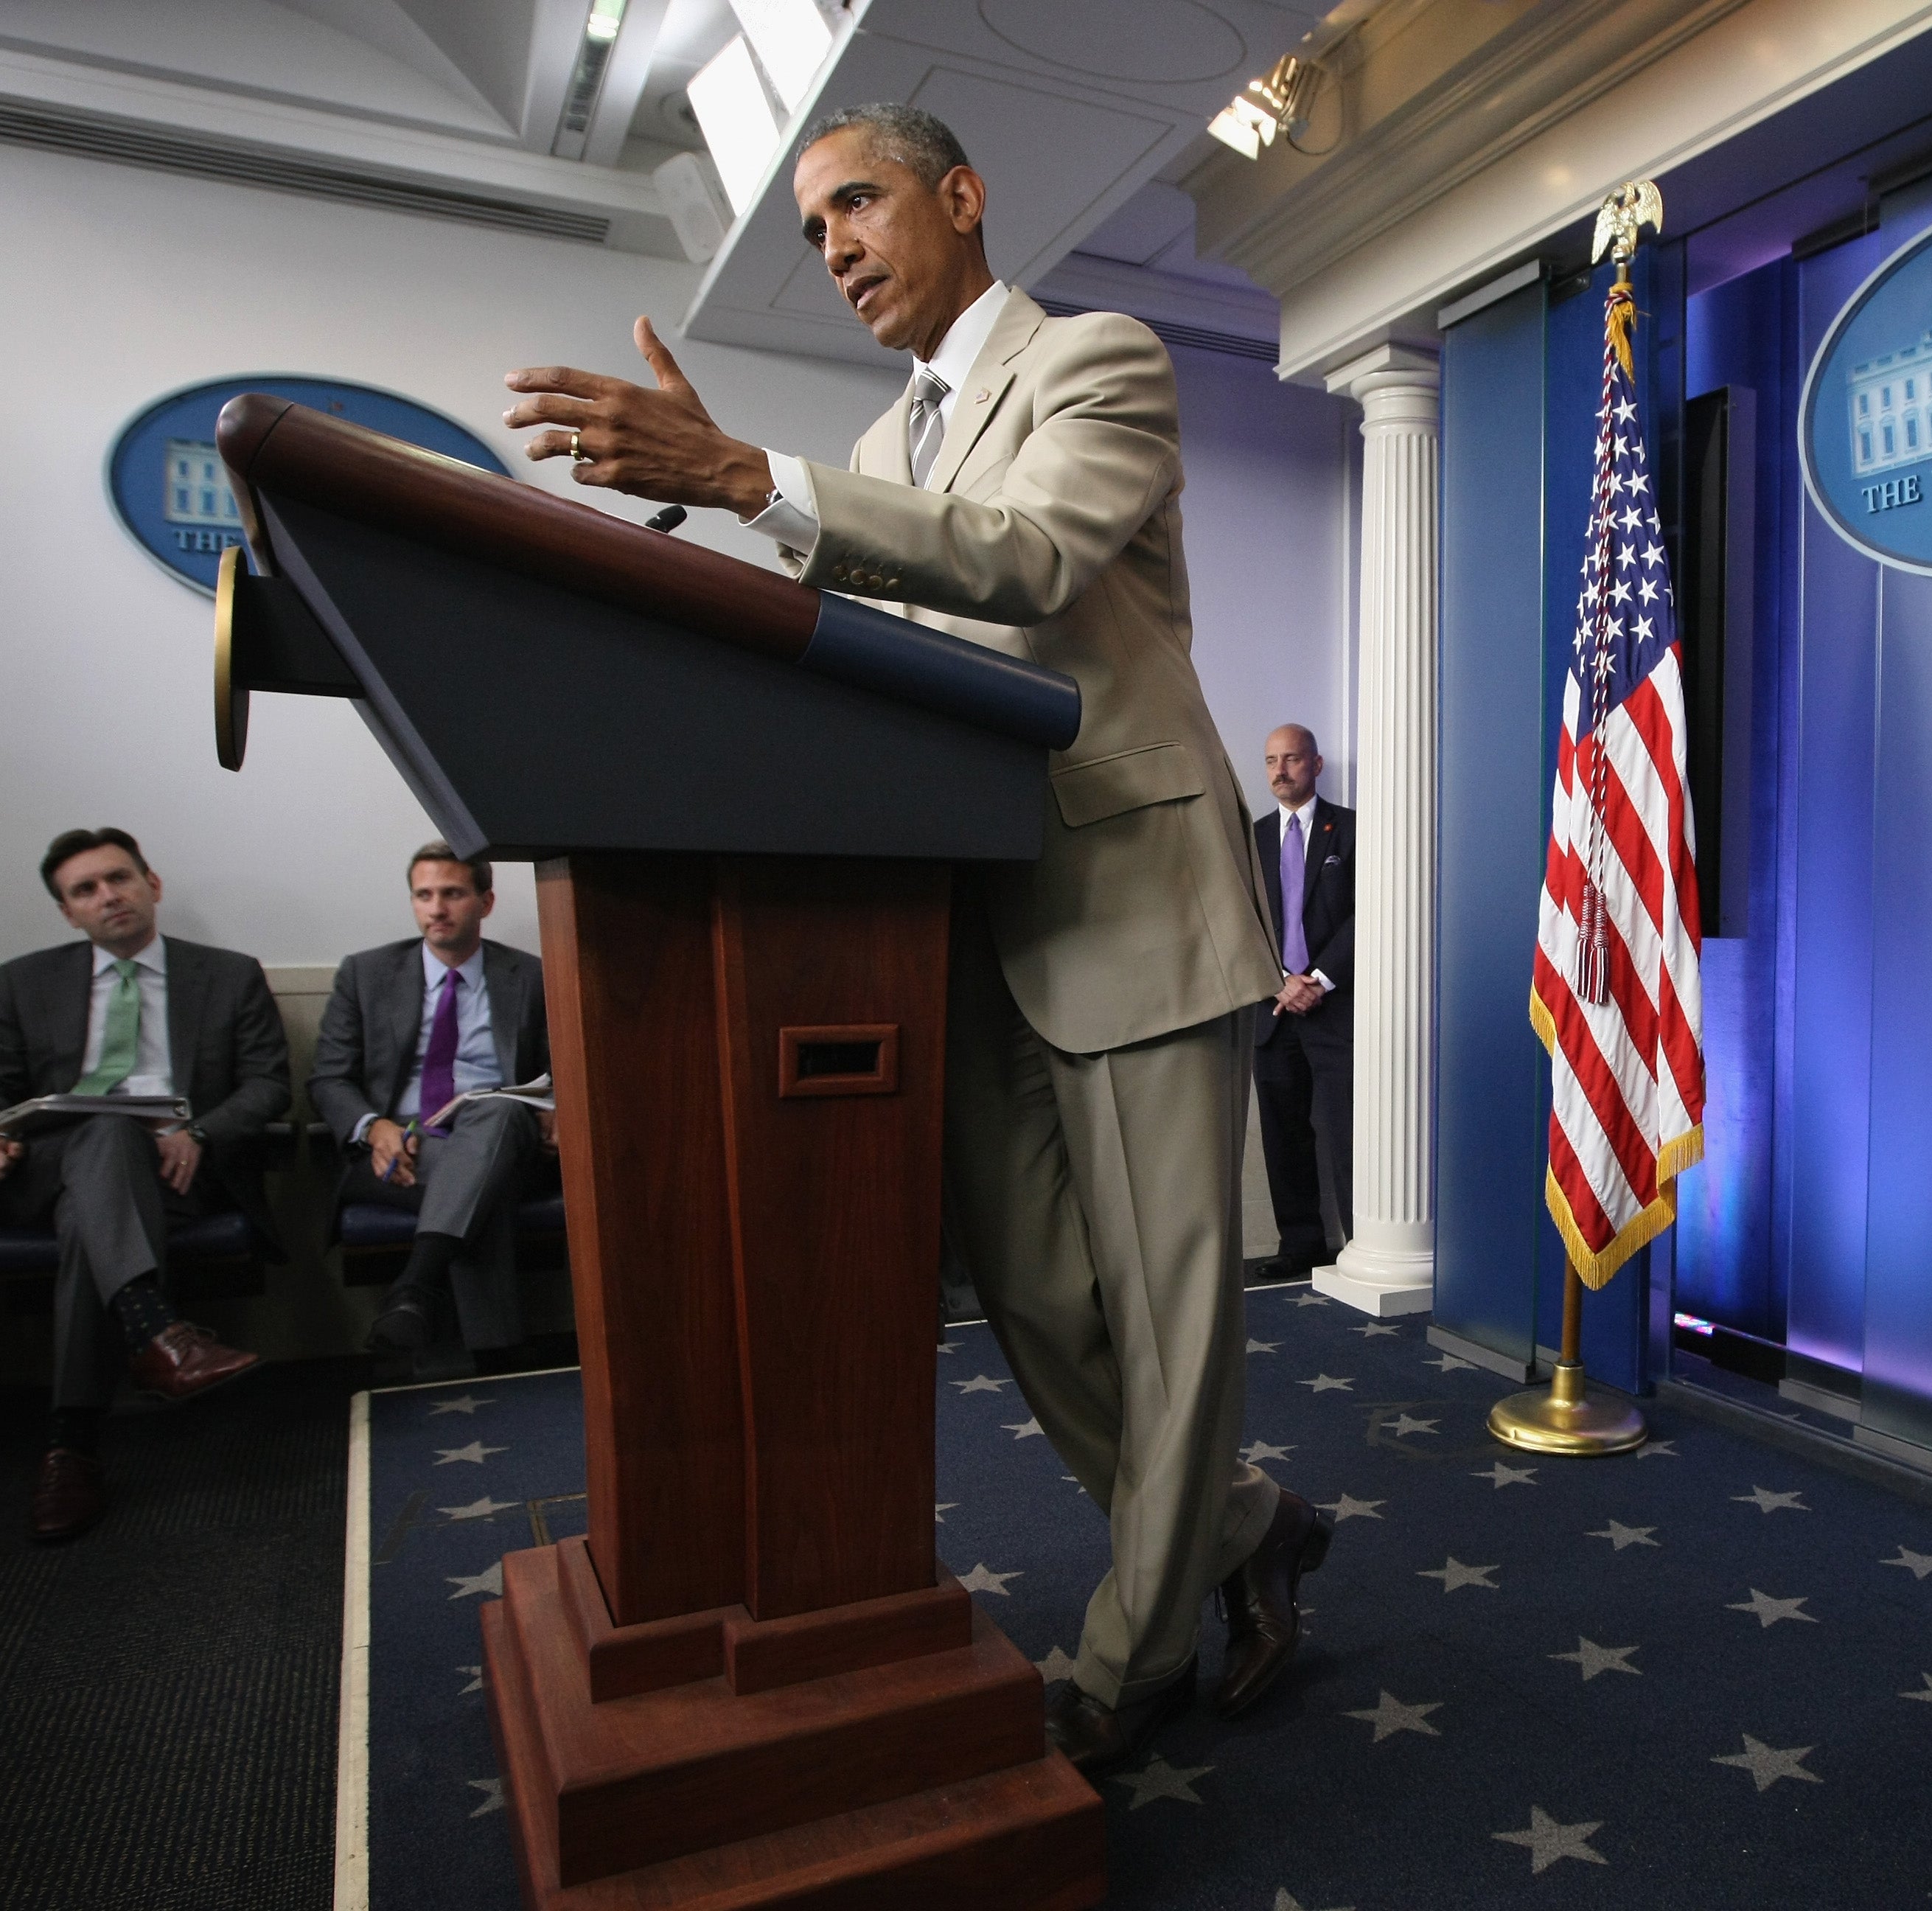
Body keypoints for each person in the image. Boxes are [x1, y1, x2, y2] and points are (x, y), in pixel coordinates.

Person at [500, 102, 1331, 1773]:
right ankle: (1246, 1529)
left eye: (856, 204)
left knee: (1173, 1321)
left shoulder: (1102, 358)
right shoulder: (879, 456)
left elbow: (1024, 564)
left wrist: (744, 475)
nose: (838, 247)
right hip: (956, 917)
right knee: (1030, 1294)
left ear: (959, 197)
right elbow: (876, 665)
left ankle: (1132, 1652)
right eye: (814, 231)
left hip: (1134, 902)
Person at [0, 829, 290, 1542]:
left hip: (176, 1169)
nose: (109, 897)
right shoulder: (26, 980)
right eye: (86, 890)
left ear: (152, 884)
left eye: (119, 878)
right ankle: (155, 1332)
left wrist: (199, 1132)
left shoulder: (227, 975)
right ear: (68, 913)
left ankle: (72, 1444)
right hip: (52, 1167)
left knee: (90, 1221)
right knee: (102, 1134)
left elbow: (267, 1086)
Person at [308, 843, 554, 1362]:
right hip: (398, 1148)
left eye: (452, 894)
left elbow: (565, 1071)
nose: (436, 909)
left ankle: (415, 1288)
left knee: (496, 1113)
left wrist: (558, 1112)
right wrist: (373, 1127)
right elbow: (329, 1078)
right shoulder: (366, 974)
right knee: (482, 1184)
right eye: (424, 895)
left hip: (505, 1133)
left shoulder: (530, 977)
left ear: (485, 903)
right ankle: (496, 1359)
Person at [1251, 725, 1356, 1281]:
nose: (1280, 771)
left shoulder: (1354, 831)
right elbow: (1242, 919)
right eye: (1271, 760)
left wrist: (1317, 978)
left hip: (1336, 1011)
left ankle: (1364, 1245)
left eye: (1291, 759)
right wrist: (1279, 982)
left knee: (1346, 1133)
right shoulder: (1255, 837)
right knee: (1284, 1134)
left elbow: (1369, 914)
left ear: (1315, 764)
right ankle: (1301, 1245)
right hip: (1272, 1013)